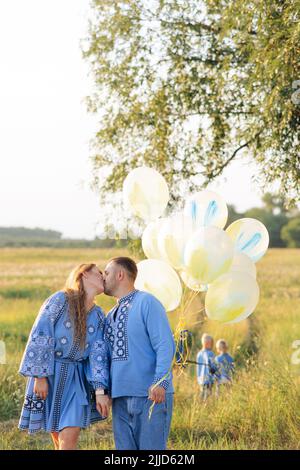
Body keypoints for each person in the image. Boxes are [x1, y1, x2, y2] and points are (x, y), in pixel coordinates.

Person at [18, 263, 111, 450]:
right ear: (84, 274)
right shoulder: (60, 300)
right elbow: (41, 333)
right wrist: (40, 376)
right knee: (58, 440)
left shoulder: (99, 316)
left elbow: (98, 356)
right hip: (50, 375)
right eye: (99, 273)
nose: (103, 277)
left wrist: (100, 391)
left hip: (76, 381)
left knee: (68, 441)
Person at [103, 256, 175, 450]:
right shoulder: (110, 315)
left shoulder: (147, 302)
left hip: (151, 395)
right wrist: (106, 391)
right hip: (120, 398)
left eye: (107, 272)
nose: (103, 277)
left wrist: (160, 382)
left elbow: (165, 344)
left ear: (120, 275)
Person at [196, 333, 216, 400]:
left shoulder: (199, 353)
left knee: (203, 393)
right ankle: (205, 406)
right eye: (210, 343)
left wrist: (198, 378)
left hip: (202, 379)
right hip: (208, 378)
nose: (210, 345)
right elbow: (213, 366)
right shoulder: (210, 353)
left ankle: (202, 405)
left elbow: (198, 368)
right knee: (207, 395)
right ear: (205, 343)